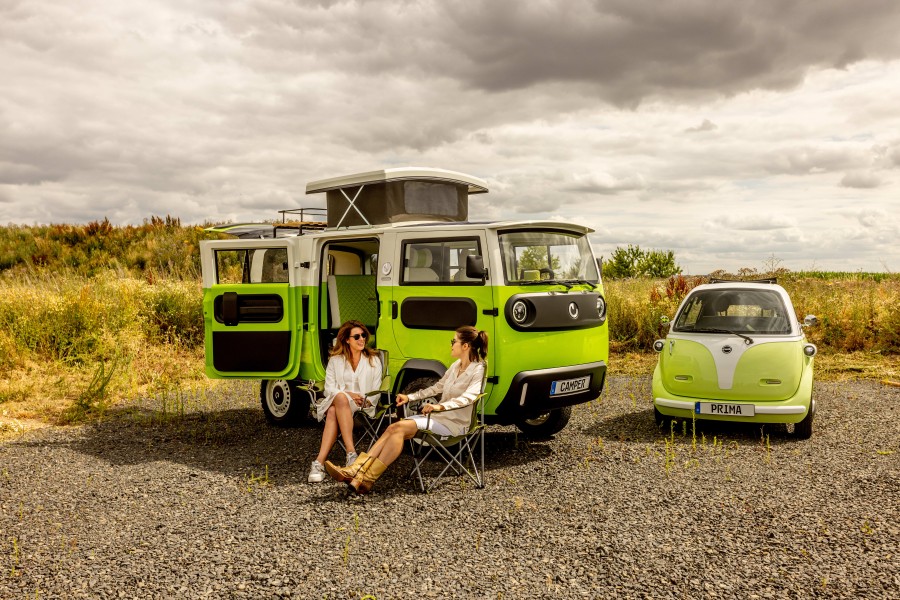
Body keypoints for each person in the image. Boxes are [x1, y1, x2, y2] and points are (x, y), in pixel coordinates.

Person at [325, 325, 488, 494]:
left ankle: (359, 473)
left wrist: (439, 406)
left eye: (454, 341)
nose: (451, 344)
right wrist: (409, 397)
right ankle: (361, 475)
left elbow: (470, 397)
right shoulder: (455, 366)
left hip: (455, 424)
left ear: (465, 346)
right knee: (394, 428)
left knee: (398, 428)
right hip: (439, 418)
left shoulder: (478, 368)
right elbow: (436, 388)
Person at [308, 320, 383, 483]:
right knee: (339, 401)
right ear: (347, 340)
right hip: (339, 401)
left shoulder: (373, 360)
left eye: (363, 335)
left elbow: (377, 388)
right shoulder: (336, 361)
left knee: (334, 409)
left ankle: (319, 463)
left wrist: (366, 401)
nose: (362, 339)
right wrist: (348, 394)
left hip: (363, 406)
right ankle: (351, 453)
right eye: (356, 336)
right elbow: (329, 389)